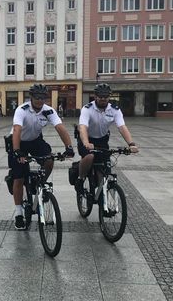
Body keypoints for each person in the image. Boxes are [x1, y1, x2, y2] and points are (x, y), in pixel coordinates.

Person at [8, 84, 74, 230]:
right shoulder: (22, 110)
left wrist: (69, 147)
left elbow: (60, 127)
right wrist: (17, 151)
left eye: (42, 97)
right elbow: (17, 129)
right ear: (31, 97)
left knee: (49, 160)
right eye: (36, 97)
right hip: (18, 142)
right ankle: (19, 213)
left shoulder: (48, 111)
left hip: (36, 141)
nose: (39, 100)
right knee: (19, 177)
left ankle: (40, 185)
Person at [75, 83, 139, 193]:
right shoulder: (87, 109)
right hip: (86, 138)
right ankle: (80, 179)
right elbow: (83, 127)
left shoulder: (114, 110)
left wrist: (131, 144)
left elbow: (122, 127)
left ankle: (102, 198)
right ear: (95, 96)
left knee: (103, 169)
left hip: (102, 140)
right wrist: (86, 142)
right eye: (100, 96)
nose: (103, 99)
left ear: (109, 97)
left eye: (106, 96)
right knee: (89, 156)